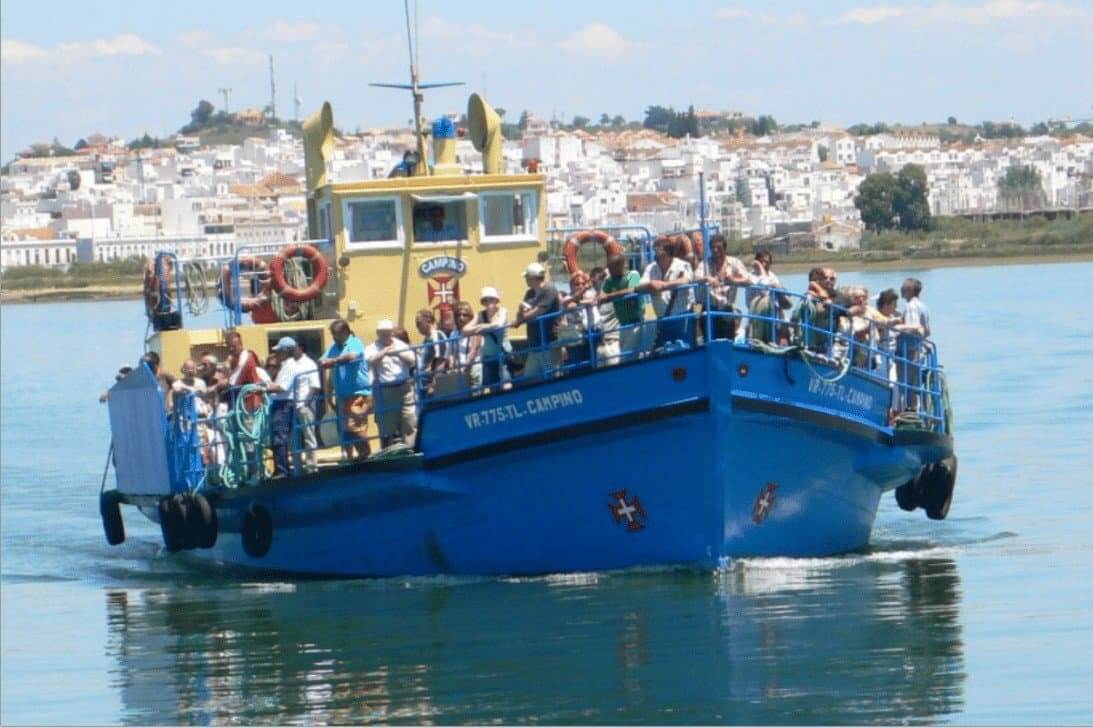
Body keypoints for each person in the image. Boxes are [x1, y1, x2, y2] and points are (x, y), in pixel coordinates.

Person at [319, 319, 372, 461]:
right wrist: (329, 394)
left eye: (335, 334)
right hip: (342, 396)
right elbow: (322, 360)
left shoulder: (355, 342)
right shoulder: (334, 346)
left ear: (344, 332)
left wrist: (334, 361)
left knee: (353, 425)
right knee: (345, 430)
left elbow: (352, 356)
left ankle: (366, 454)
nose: (333, 337)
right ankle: (353, 457)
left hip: (358, 394)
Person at [366, 319, 418, 448]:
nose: (386, 335)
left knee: (409, 420)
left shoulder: (400, 345)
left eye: (388, 332)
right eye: (383, 332)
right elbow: (370, 361)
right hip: (386, 390)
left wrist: (396, 353)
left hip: (405, 387)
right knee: (387, 426)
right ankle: (387, 451)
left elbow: (412, 360)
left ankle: (411, 449)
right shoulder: (372, 348)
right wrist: (384, 352)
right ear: (378, 333)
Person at [638, 238, 694, 350]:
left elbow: (686, 280)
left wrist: (663, 285)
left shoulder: (683, 265)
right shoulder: (651, 268)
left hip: (682, 317)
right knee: (663, 350)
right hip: (661, 319)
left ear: (669, 255)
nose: (657, 259)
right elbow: (640, 286)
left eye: (660, 255)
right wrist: (651, 285)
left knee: (685, 349)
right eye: (656, 255)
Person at [695, 234, 753, 341]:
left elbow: (749, 280)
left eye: (718, 248)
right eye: (713, 247)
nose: (715, 250)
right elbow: (696, 277)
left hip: (727, 309)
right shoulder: (705, 263)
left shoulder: (734, 262)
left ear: (725, 248)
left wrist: (733, 280)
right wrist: (708, 278)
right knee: (709, 341)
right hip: (709, 309)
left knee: (727, 342)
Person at [514, 262, 562, 378]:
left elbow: (539, 311)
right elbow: (522, 313)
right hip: (534, 344)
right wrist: (521, 314)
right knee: (529, 376)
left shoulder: (549, 290)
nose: (525, 279)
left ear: (532, 277)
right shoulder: (529, 293)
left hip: (548, 343)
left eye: (527, 277)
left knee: (551, 374)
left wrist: (522, 318)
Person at [598, 253, 643, 363]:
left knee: (625, 360)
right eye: (609, 267)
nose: (610, 270)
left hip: (635, 324)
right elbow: (601, 297)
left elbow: (632, 291)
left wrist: (611, 296)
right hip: (622, 325)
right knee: (626, 356)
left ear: (621, 265)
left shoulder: (632, 275)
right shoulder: (610, 281)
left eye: (612, 267)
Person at [463, 288, 507, 389]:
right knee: (491, 387)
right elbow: (465, 330)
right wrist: (480, 327)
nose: (489, 302)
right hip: (488, 356)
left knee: (507, 384)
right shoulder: (480, 315)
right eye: (486, 300)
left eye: (491, 299)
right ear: (483, 302)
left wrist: (482, 327)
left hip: (503, 354)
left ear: (496, 300)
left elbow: (499, 324)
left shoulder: (503, 311)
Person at [744, 249, 791, 343]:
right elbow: (764, 291)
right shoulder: (750, 277)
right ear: (757, 262)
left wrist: (779, 288)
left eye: (767, 262)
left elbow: (782, 290)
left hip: (774, 317)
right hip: (758, 316)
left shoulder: (772, 276)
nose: (764, 265)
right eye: (762, 262)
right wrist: (760, 270)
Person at [898, 277, 931, 411]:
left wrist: (896, 328)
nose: (901, 289)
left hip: (909, 350)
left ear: (909, 290)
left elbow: (913, 328)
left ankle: (909, 412)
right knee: (915, 384)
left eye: (903, 287)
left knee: (907, 384)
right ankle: (915, 411)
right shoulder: (923, 306)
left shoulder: (911, 306)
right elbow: (927, 331)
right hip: (918, 350)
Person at [560, 270, 600, 368]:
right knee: (576, 366)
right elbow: (567, 304)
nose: (580, 286)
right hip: (575, 337)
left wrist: (580, 302)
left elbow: (594, 299)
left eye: (583, 284)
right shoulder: (567, 298)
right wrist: (578, 300)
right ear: (571, 286)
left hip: (590, 332)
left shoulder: (589, 294)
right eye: (577, 284)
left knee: (592, 364)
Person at [414, 308, 448, 392]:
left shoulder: (437, 336)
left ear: (428, 321)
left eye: (418, 323)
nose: (417, 327)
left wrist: (434, 383)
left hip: (432, 385)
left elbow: (441, 359)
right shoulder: (426, 339)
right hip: (423, 383)